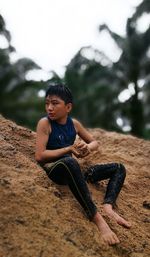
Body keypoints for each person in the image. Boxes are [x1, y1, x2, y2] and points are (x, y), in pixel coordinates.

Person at [35, 84, 131, 246]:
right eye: (47, 103)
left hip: (74, 170)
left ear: (68, 107)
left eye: (55, 103)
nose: (49, 108)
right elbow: (40, 156)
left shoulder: (74, 124)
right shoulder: (45, 124)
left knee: (119, 168)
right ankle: (97, 218)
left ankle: (108, 206)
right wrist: (69, 149)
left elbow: (94, 142)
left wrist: (87, 148)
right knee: (70, 161)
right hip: (56, 169)